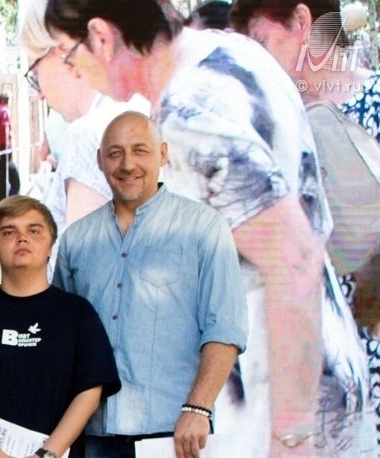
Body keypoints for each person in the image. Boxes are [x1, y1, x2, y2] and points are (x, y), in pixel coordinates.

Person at [45, 1, 373, 454]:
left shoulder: (187, 118)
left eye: (68, 54)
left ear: (101, 37)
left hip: (268, 406)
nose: (74, 70)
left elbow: (294, 259)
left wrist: (290, 437)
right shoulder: (231, 51)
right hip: (321, 369)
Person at [54, 112, 248, 458]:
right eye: (115, 153)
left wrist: (199, 408)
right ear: (99, 160)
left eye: (139, 150)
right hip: (94, 431)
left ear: (162, 154)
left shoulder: (204, 228)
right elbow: (64, 338)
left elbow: (225, 327)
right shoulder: (76, 240)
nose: (127, 164)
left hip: (173, 430)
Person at [231, 0, 380, 446]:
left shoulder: (372, 104)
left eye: (262, 43)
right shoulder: (270, 128)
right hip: (320, 381)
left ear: (300, 22)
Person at [0, 196, 120, 458]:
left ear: (51, 245)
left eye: (34, 230)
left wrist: (47, 454)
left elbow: (90, 391)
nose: (22, 239)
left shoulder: (78, 313)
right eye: (8, 232)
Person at [18, 0, 150, 231]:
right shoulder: (143, 108)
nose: (40, 94)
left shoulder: (87, 135)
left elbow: (85, 253)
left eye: (35, 75)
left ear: (60, 51)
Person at [0, 92, 19, 201]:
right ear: (8, 101)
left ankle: (2, 203)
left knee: (0, 180)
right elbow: (7, 131)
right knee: (15, 181)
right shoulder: (5, 112)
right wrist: (10, 146)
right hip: (4, 148)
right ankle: (10, 202)